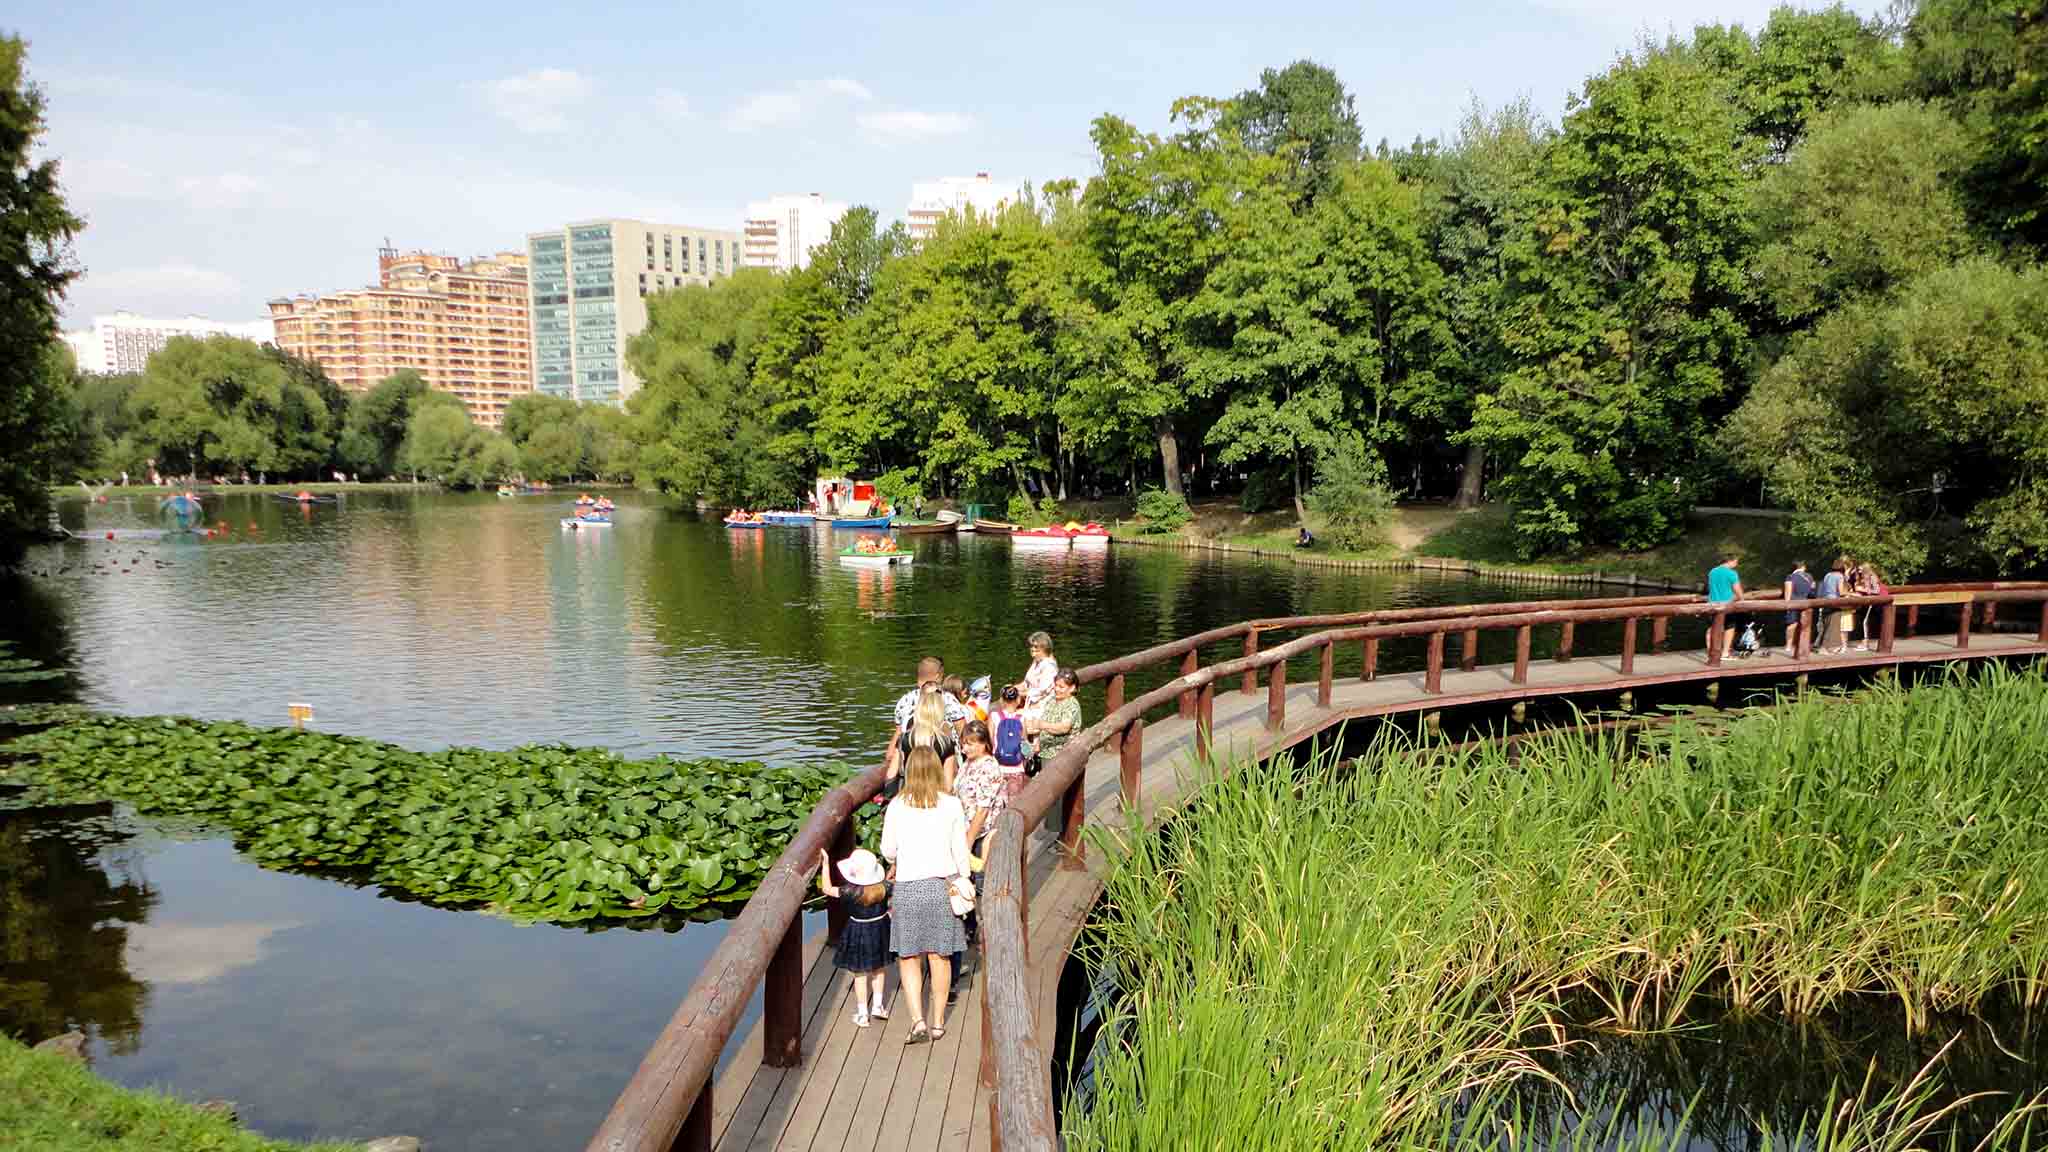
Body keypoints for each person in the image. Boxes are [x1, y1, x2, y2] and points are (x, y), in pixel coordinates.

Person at [880, 747, 970, 1045]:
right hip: (942, 887)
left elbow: (888, 850)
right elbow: (960, 851)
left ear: (908, 771)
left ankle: (918, 1020)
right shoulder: (952, 805)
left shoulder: (897, 805)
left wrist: (899, 856)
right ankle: (938, 1022)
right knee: (940, 957)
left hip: (908, 888)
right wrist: (965, 880)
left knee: (908, 957)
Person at [818, 847, 891, 1027]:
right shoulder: (885, 888)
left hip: (858, 930)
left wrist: (825, 865)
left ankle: (862, 1013)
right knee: (879, 968)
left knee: (860, 974)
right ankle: (878, 1006)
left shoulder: (849, 891)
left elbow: (827, 889)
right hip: (880, 928)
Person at [987, 685, 1032, 798]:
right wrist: (1027, 760)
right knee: (1014, 801)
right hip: (1016, 768)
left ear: (1001, 700)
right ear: (1018, 700)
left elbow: (989, 740)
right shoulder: (1021, 718)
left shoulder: (994, 716)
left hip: (997, 766)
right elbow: (1024, 743)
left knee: (997, 800)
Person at [1705, 556, 1744, 659]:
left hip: (1712, 603)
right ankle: (1725, 653)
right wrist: (1742, 599)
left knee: (1711, 628)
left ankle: (1710, 652)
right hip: (1727, 604)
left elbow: (1710, 588)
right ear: (1729, 561)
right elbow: (1737, 590)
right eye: (1736, 562)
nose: (1736, 564)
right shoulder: (1732, 573)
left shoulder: (1712, 571)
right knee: (1729, 627)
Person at [1014, 631, 1058, 721]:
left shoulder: (1049, 666)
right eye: (1031, 646)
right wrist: (1013, 688)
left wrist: (1020, 693)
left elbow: (1041, 691)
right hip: (1031, 704)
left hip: (1043, 706)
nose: (1032, 649)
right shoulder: (1036, 661)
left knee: (1013, 716)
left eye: (1036, 647)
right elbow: (1026, 683)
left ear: (1044, 648)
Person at [1849, 558, 1888, 652]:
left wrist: (1863, 590)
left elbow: (1877, 590)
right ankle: (1864, 641)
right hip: (1867, 602)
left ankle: (1865, 643)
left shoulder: (1872, 577)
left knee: (1865, 621)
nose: (1859, 571)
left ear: (1865, 569)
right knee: (1862, 620)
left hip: (1875, 602)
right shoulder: (1862, 578)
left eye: (1860, 569)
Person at [1817, 557, 1850, 655]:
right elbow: (1841, 592)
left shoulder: (1827, 575)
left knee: (1827, 625)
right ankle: (1823, 648)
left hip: (1826, 601)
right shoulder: (1840, 576)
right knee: (1833, 626)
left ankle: (1827, 647)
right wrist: (1851, 594)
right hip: (1835, 603)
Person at [1781, 561, 1815, 656]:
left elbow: (1788, 592)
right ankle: (1803, 646)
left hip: (1793, 603)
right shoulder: (1809, 577)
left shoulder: (1790, 577)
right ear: (1803, 567)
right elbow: (1812, 590)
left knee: (1792, 624)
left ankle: (1788, 646)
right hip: (1806, 603)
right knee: (1805, 625)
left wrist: (1787, 605)